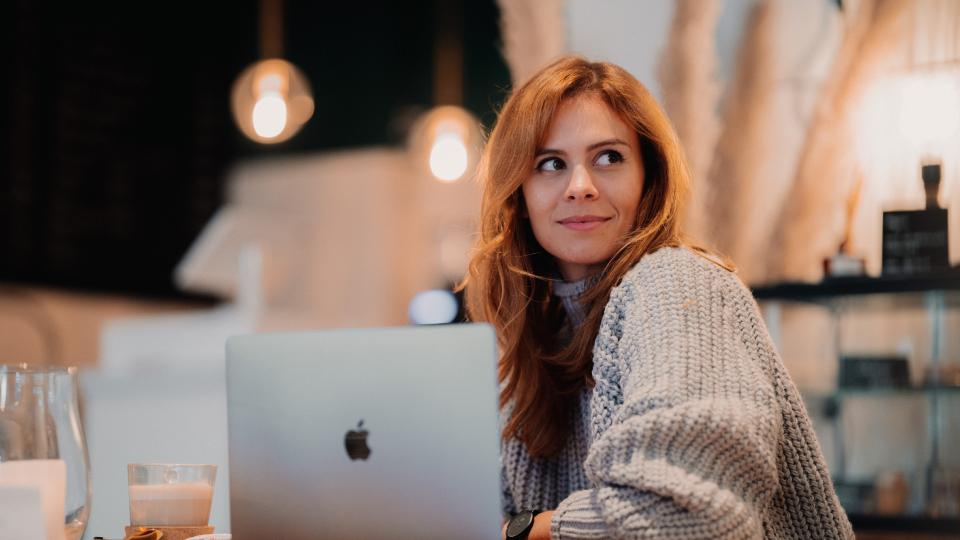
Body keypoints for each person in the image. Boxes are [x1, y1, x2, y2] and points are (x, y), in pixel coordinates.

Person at [463, 56, 854, 539]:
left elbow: (688, 516)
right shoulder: (538, 334)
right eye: (550, 164)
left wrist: (528, 531)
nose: (580, 187)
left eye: (608, 157)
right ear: (518, 195)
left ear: (649, 175)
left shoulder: (677, 286)